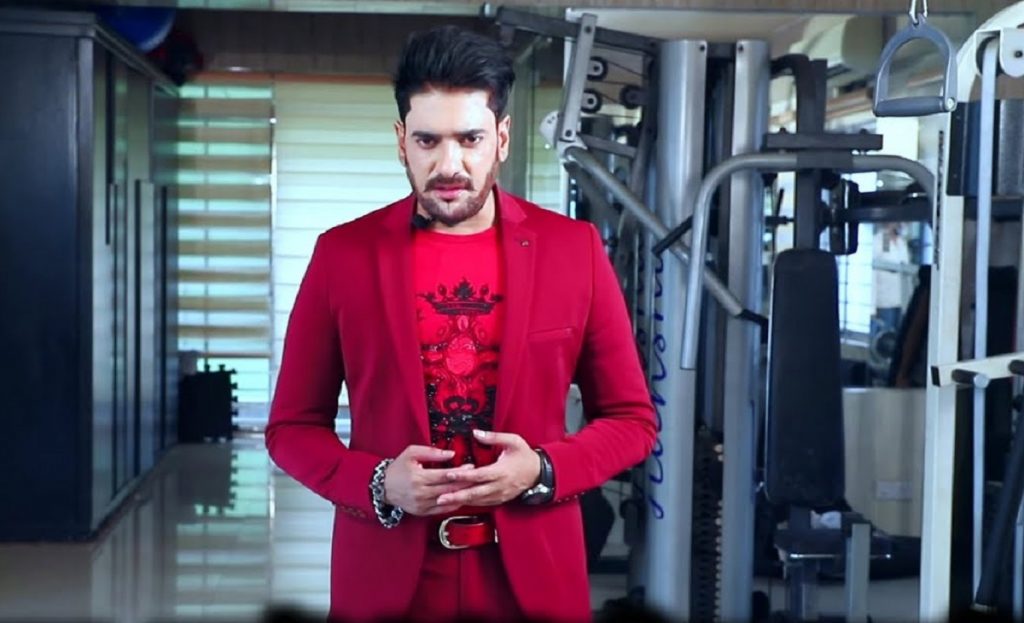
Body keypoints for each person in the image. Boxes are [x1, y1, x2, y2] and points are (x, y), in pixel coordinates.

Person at [266, 25, 656, 623]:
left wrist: (543, 470)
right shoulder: (342, 256)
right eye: (428, 140)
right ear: (402, 141)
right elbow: (291, 428)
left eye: (470, 139)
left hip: (533, 580)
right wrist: (378, 483)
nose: (449, 165)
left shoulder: (572, 250)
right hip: (387, 579)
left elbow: (632, 420)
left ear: (502, 138)